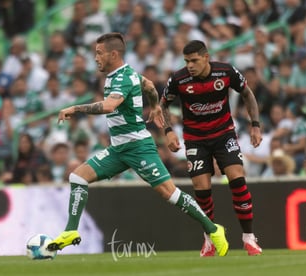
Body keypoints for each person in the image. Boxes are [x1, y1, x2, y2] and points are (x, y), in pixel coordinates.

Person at [46, 33, 228, 256]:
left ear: (113, 54)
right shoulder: (124, 74)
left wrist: (75, 109)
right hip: (118, 149)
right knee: (77, 177)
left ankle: (214, 229)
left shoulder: (122, 78)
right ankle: (71, 231)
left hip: (138, 146)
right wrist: (155, 107)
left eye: (99, 53)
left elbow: (110, 106)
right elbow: (149, 86)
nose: (95, 58)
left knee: (169, 193)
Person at [158, 40, 263, 256]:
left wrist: (255, 126)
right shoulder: (179, 79)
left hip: (224, 134)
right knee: (202, 190)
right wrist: (168, 130)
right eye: (186, 61)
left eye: (194, 60)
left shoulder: (225, 72)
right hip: (195, 139)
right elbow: (163, 104)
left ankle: (249, 238)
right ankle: (209, 238)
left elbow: (248, 94)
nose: (190, 65)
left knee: (237, 179)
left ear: (206, 58)